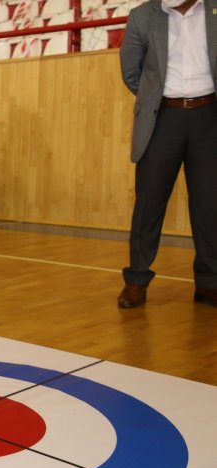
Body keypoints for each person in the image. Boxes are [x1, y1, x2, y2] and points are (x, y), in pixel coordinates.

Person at [117, 0, 217, 308]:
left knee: (210, 205)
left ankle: (209, 283)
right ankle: (136, 280)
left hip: (209, 116)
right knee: (149, 203)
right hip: (163, 119)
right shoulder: (141, 17)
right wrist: (156, 100)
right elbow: (131, 73)